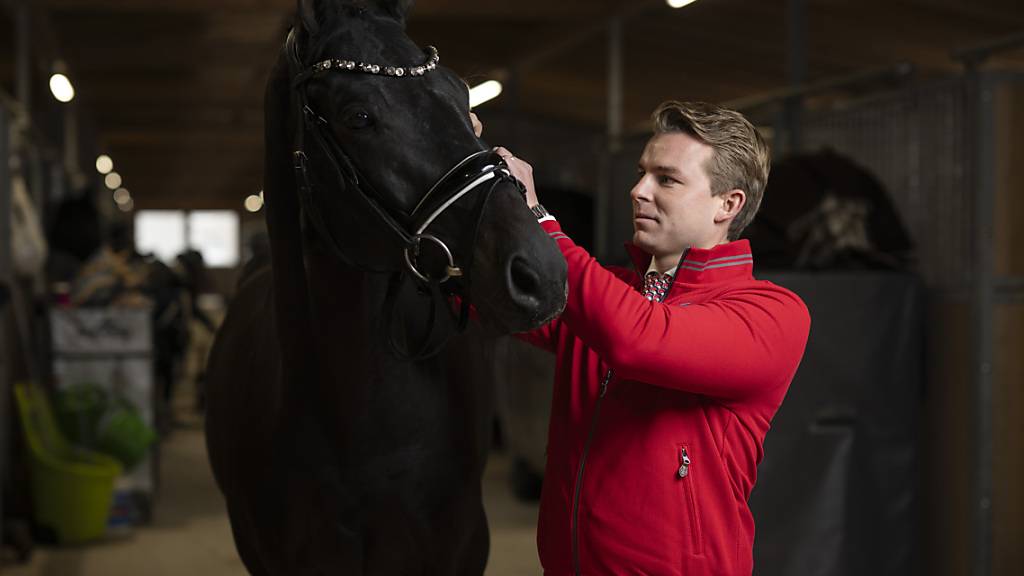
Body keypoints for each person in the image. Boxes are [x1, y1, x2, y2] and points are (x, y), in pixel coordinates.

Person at [494, 101, 811, 576]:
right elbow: (491, 297)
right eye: (642, 173)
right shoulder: (607, 295)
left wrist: (538, 218)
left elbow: (638, 339)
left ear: (729, 204)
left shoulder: (769, 314)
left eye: (667, 179)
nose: (638, 190)